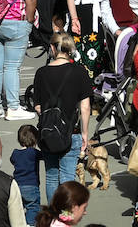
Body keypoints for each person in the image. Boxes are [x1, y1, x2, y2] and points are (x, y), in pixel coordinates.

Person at [30, 32, 92, 201]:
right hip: (71, 130)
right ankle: (66, 216)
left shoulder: (41, 73)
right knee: (68, 176)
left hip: (48, 131)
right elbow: (85, 107)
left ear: (52, 48)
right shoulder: (79, 72)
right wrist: (85, 134)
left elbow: (37, 106)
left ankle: (52, 216)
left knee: (51, 176)